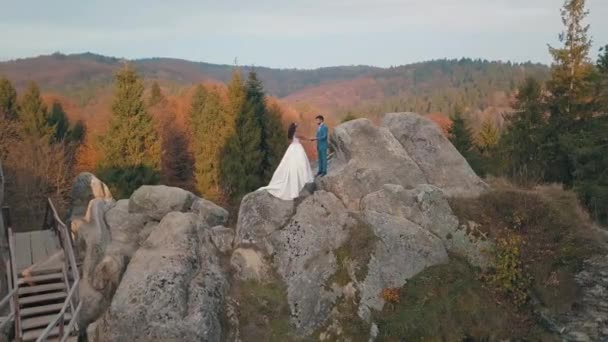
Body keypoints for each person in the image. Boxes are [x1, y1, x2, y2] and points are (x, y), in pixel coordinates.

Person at [258, 123, 314, 200]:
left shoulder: (291, 134)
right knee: (300, 163)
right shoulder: (296, 134)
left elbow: (296, 140)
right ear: (295, 128)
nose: (298, 128)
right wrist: (311, 138)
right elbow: (303, 137)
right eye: (297, 127)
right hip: (297, 148)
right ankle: (302, 179)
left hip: (292, 148)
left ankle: (298, 178)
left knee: (291, 163)